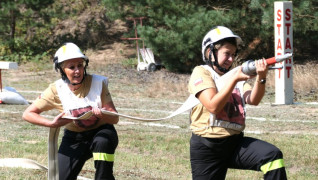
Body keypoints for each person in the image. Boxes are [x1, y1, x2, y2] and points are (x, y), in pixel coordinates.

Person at [188, 26, 287, 180]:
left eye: (233, 55)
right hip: (208, 148)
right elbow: (213, 106)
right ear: (210, 52)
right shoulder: (202, 72)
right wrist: (234, 79)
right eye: (226, 54)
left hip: (234, 143)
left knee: (272, 156)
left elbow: (253, 99)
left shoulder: (235, 75)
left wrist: (261, 77)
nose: (231, 59)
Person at [22, 42, 119, 180]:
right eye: (72, 67)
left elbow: (115, 118)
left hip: (102, 132)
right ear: (61, 70)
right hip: (74, 138)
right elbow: (27, 114)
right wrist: (51, 124)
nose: (78, 71)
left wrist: (103, 114)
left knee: (102, 142)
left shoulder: (98, 84)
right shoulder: (55, 90)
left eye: (80, 65)